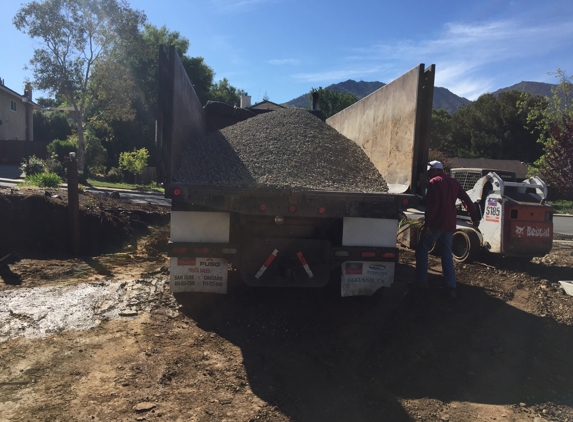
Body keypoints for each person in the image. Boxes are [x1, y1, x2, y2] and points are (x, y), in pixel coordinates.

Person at [415, 161, 480, 298]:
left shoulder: (434, 182)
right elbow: (467, 200)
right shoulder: (454, 182)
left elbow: (433, 206)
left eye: (429, 171)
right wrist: (474, 217)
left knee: (422, 248)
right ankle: (451, 286)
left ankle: (422, 281)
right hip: (450, 224)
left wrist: (427, 225)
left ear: (434, 170)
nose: (428, 174)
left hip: (436, 224)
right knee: (446, 254)